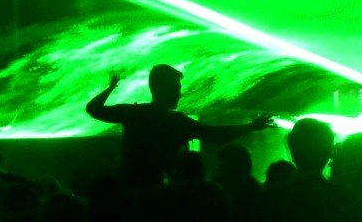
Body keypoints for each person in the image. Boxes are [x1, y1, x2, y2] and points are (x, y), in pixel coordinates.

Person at [85, 64, 271, 188]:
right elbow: (214, 134)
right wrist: (251, 127)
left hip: (129, 191)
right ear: (159, 88)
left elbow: (93, 109)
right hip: (158, 191)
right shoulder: (176, 121)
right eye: (175, 88)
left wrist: (111, 88)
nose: (179, 94)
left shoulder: (134, 113)